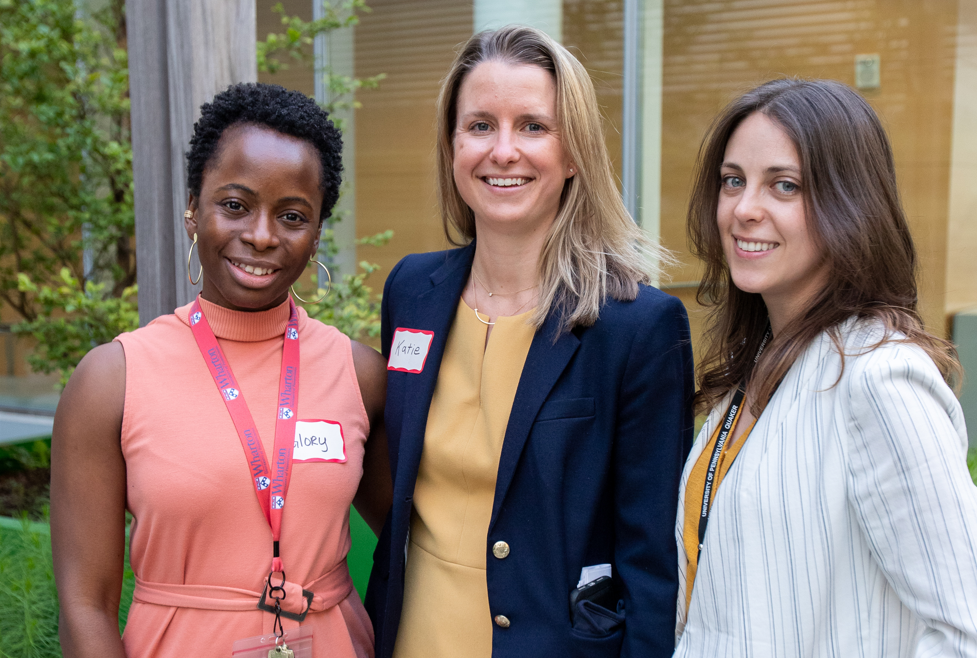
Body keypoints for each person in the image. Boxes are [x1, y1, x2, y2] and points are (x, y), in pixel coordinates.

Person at [364, 25, 694, 658]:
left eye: (534, 127)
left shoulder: (635, 326)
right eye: (480, 125)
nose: (503, 150)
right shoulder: (412, 291)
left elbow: (653, 567)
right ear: (452, 145)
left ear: (574, 154)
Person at [51, 83, 391, 657]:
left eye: (292, 215)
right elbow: (85, 602)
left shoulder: (358, 374)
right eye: (235, 205)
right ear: (193, 210)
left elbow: (418, 544)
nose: (261, 235)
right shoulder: (113, 379)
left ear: (315, 237)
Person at [675, 78, 977, 656]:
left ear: (849, 205)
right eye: (733, 181)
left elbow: (974, 635)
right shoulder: (756, 372)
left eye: (785, 186)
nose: (745, 210)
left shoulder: (879, 380)